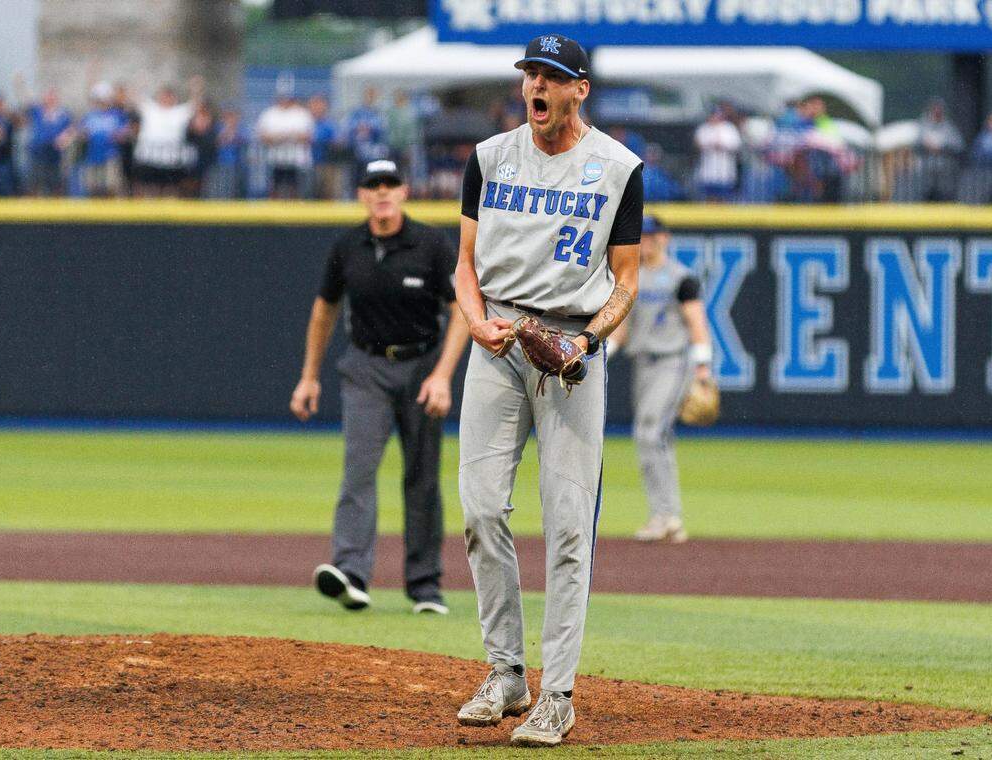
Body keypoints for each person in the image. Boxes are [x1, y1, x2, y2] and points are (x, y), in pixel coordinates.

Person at [453, 33, 643, 747]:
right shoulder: (490, 157)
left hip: (569, 353)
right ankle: (506, 673)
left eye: (552, 75)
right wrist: (474, 321)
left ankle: (556, 695)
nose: (537, 84)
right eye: (530, 72)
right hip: (497, 340)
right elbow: (464, 265)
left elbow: (626, 279)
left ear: (579, 89)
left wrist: (588, 340)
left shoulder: (618, 168)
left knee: (567, 527)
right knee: (478, 510)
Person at [291, 159, 469, 617]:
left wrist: (443, 375)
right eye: (374, 185)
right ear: (362, 196)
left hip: (421, 365)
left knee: (422, 477)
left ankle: (425, 586)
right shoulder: (348, 246)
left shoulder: (430, 244)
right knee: (359, 470)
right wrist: (309, 376)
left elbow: (463, 312)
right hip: (366, 365)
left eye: (390, 184)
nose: (383, 192)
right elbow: (323, 312)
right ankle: (351, 572)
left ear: (405, 191)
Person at [607, 215, 712, 543]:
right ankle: (666, 517)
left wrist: (703, 368)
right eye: (642, 236)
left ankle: (666, 515)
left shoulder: (681, 278)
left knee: (649, 432)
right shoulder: (629, 275)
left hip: (672, 362)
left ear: (665, 238)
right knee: (653, 436)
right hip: (643, 364)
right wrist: (598, 356)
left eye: (652, 236)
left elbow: (697, 323)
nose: (647, 241)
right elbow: (621, 330)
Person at [132, 80, 201, 198]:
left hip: (171, 161)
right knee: (149, 190)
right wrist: (140, 82)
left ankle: (169, 215)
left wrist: (196, 89)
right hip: (149, 158)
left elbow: (194, 105)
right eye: (163, 96)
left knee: (171, 190)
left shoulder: (180, 112)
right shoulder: (151, 109)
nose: (166, 99)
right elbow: (135, 98)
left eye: (169, 96)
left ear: (174, 98)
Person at [78, 82, 128, 198]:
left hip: (110, 155)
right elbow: (82, 131)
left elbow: (125, 131)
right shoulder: (90, 115)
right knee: (92, 186)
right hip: (92, 156)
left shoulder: (117, 115)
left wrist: (119, 135)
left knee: (111, 185)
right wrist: (83, 134)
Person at [23, 89, 73, 197]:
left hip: (54, 154)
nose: (50, 99)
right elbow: (26, 101)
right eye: (48, 97)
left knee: (56, 185)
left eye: (52, 97)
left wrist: (64, 139)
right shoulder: (37, 111)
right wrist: (20, 84)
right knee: (34, 183)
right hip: (38, 152)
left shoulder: (63, 114)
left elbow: (70, 130)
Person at [693, 106, 742, 202]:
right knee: (709, 197)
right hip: (708, 171)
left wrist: (722, 146)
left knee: (723, 197)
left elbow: (736, 146)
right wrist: (710, 145)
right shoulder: (704, 128)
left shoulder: (729, 129)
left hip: (724, 171)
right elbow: (697, 144)